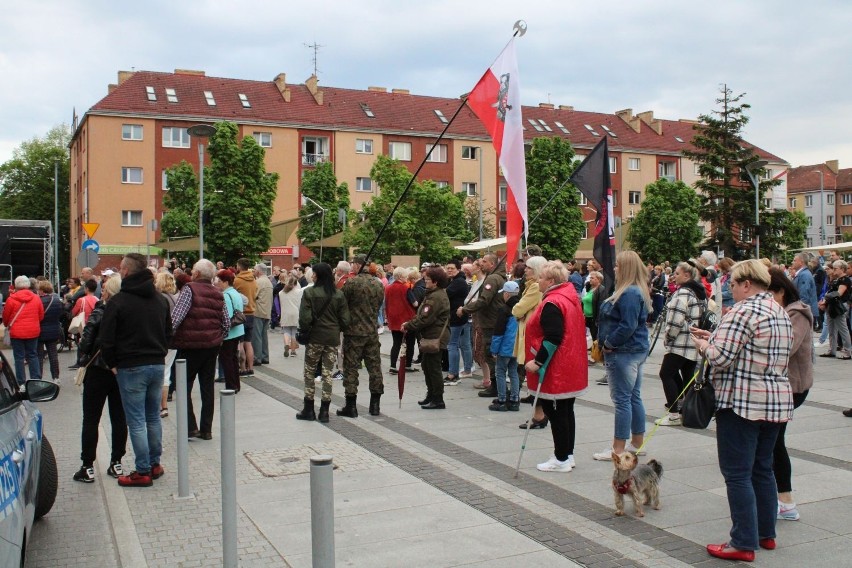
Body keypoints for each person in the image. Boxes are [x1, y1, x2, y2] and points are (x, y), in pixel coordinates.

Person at [690, 260, 793, 561]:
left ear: (747, 284)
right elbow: (753, 350)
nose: (730, 288)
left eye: (733, 283)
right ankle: (765, 533)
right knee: (762, 469)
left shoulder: (742, 311)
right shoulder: (778, 311)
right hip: (774, 402)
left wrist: (702, 345)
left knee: (737, 474)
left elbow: (720, 358)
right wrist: (715, 338)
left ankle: (743, 542)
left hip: (742, 403)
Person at [99, 253, 172, 487]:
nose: (120, 271)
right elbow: (169, 333)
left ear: (127, 271)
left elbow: (106, 339)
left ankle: (142, 470)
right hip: (156, 364)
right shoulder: (160, 300)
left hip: (130, 366)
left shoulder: (119, 302)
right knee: (153, 416)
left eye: (121, 268)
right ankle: (154, 463)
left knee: (137, 420)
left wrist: (112, 364)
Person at [523, 261, 588, 472]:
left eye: (540, 277)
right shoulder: (569, 298)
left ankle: (561, 458)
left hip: (557, 367)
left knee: (557, 411)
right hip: (569, 364)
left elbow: (553, 336)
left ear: (550, 281)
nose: (537, 280)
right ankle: (566, 454)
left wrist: (537, 361)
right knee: (566, 410)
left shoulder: (553, 302)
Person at [593, 251, 652, 460]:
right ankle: (636, 442)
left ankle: (618, 449)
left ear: (626, 268)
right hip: (633, 350)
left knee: (623, 400)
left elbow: (628, 325)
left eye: (618, 265)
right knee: (633, 397)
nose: (614, 268)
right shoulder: (634, 291)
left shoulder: (629, 293)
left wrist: (609, 343)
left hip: (623, 352)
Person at [766, 267, 813, 521]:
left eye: (769, 293)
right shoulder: (783, 311)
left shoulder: (797, 313)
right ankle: (783, 500)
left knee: (774, 442)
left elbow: (786, 347)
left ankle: (785, 501)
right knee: (774, 441)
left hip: (792, 387)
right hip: (780, 385)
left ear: (781, 291)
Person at [73, 274, 127, 483]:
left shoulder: (101, 310)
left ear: (109, 291)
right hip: (120, 370)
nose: (101, 291)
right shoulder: (128, 312)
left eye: (105, 288)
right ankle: (116, 463)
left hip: (97, 369)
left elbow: (86, 341)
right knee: (119, 418)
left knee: (91, 419)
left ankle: (87, 466)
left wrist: (83, 354)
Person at [171, 259, 230, 440]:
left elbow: (176, 318)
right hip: (211, 346)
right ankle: (206, 430)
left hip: (190, 346)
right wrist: (218, 337)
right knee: (207, 388)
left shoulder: (189, 289)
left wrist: (168, 337)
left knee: (184, 386)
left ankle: (191, 427)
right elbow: (226, 323)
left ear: (195, 274)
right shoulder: (218, 292)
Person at [296, 263, 350, 422]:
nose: (312, 276)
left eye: (313, 274)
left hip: (315, 338)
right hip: (332, 339)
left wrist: (307, 328)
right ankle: (325, 411)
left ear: (318, 275)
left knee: (310, 372)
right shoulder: (338, 295)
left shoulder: (310, 293)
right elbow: (346, 320)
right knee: (327, 373)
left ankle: (309, 409)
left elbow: (305, 319)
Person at [654, 262, 706, 426]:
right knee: (687, 377)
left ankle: (674, 413)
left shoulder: (682, 294)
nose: (673, 276)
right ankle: (686, 411)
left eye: (677, 273)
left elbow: (675, 322)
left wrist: (668, 338)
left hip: (680, 343)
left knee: (666, 374)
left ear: (687, 276)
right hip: (693, 342)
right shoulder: (696, 293)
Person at [339, 254, 386, 417]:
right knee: (374, 367)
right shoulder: (378, 284)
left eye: (353, 264)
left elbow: (342, 304)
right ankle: (375, 405)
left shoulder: (351, 283)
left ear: (359, 265)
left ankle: (351, 406)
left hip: (353, 332)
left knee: (351, 368)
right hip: (372, 331)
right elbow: (379, 305)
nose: (352, 266)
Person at [458, 254, 506, 399]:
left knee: (490, 354)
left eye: (484, 261)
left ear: (492, 264)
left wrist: (465, 309)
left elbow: (484, 300)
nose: (482, 263)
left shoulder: (492, 279)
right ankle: (497, 385)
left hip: (490, 322)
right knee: (492, 354)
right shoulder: (499, 277)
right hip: (494, 320)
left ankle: (495, 386)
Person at [401, 266, 451, 409]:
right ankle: (431, 395)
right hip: (431, 335)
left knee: (433, 368)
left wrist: (408, 325)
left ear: (435, 282)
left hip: (435, 336)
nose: (425, 281)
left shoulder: (435, 296)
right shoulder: (433, 293)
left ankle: (438, 398)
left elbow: (424, 318)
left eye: (428, 279)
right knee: (427, 366)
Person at [3, 275, 45, 385]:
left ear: (16, 285)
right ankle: (35, 381)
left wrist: (8, 325)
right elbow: (41, 315)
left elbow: (6, 317)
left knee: (19, 358)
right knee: (33, 355)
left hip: (16, 333)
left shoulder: (11, 299)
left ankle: (21, 383)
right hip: (33, 331)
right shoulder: (36, 298)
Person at [489, 280, 521, 411]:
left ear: (507, 294)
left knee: (500, 372)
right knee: (513, 372)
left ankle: (502, 399)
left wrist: (494, 349)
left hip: (505, 346)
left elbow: (499, 332)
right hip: (516, 346)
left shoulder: (504, 309)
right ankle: (514, 399)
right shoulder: (521, 307)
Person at [215, 269, 245, 395]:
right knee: (233, 359)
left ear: (226, 282)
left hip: (229, 332)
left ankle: (231, 385)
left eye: (220, 281)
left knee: (226, 359)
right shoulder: (235, 293)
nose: (217, 283)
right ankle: (236, 384)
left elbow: (226, 316)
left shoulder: (226, 295)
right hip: (238, 330)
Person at [154, 271, 178, 418]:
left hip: (162, 340)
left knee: (161, 373)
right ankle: (164, 406)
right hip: (173, 340)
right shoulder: (174, 298)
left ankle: (161, 405)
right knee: (166, 372)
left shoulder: (160, 299)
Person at [444, 260, 472, 384]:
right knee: (463, 344)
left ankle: (453, 374)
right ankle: (466, 369)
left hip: (457, 318)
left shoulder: (458, 282)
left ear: (458, 269)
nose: (449, 270)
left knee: (452, 345)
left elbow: (445, 294)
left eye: (452, 268)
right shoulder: (455, 281)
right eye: (448, 268)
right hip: (460, 317)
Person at [385, 266, 416, 374]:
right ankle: (408, 365)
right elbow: (414, 303)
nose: (407, 278)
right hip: (407, 319)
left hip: (393, 319)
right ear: (402, 276)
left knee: (396, 343)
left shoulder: (388, 288)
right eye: (406, 276)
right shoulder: (405, 288)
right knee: (410, 342)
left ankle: (393, 366)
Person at [818, 259, 851, 359]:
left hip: (839, 306)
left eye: (836, 268)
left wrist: (825, 300)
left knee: (842, 329)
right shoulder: (836, 279)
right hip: (832, 305)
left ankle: (848, 351)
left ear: (842, 269)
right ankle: (831, 350)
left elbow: (839, 294)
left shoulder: (845, 280)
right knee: (831, 329)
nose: (834, 270)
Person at [233, 258, 258, 376]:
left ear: (239, 266)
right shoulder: (254, 279)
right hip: (251, 313)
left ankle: (242, 368)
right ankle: (251, 368)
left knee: (240, 342)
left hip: (240, 314)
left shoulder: (237, 280)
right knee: (249, 342)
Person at [37, 280, 63, 382]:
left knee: (39, 355)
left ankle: (38, 378)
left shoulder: (38, 301)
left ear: (42, 290)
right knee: (53, 354)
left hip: (40, 330)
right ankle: (56, 377)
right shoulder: (57, 300)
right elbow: (61, 313)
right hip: (54, 330)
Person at [278, 273, 303, 358]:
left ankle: (286, 344)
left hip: (285, 314)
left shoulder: (281, 293)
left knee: (286, 331)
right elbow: (300, 304)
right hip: (295, 313)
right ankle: (293, 351)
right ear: (296, 284)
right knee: (294, 332)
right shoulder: (298, 292)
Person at [251, 263, 273, 366]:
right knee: (264, 336)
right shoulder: (269, 281)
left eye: (255, 269)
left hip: (258, 311)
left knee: (257, 336)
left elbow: (253, 296)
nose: (253, 271)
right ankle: (265, 356)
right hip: (267, 311)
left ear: (259, 271)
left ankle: (257, 357)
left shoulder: (258, 282)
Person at [791, 252, 818, 324]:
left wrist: (798, 311)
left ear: (801, 262)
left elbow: (804, 295)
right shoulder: (802, 274)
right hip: (804, 310)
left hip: (803, 312)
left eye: (794, 260)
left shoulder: (804, 275)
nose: (792, 262)